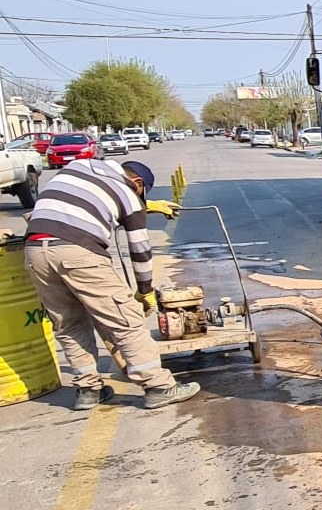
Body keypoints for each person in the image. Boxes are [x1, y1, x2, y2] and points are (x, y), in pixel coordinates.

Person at [23, 159, 200, 411]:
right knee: (125, 320)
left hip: (35, 251)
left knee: (69, 324)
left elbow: (75, 203)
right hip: (78, 251)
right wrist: (145, 291)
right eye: (141, 193)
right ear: (137, 183)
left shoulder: (79, 167)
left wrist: (145, 206)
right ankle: (158, 387)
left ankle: (88, 391)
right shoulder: (129, 196)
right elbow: (140, 251)